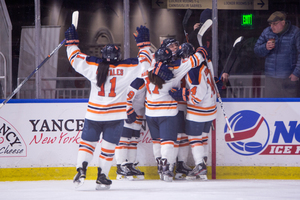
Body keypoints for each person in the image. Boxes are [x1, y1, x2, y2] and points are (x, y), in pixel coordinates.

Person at [65, 24, 151, 189]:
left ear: (103, 55)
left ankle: (81, 168)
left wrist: (72, 43)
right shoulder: (127, 68)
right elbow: (146, 64)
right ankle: (102, 176)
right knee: (108, 148)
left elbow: (75, 59)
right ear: (118, 55)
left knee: (87, 144)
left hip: (94, 115)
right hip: (115, 117)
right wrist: (144, 46)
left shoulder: (94, 65)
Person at [126, 45, 208, 182]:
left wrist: (128, 107)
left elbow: (133, 85)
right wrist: (202, 51)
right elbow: (195, 61)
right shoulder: (176, 69)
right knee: (168, 142)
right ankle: (167, 168)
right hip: (168, 113)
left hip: (151, 113)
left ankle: (160, 168)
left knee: (157, 142)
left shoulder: (147, 69)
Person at [169, 42, 217, 180]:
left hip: (199, 110)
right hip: (210, 109)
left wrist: (181, 94)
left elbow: (197, 97)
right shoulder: (205, 64)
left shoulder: (193, 70)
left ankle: (200, 165)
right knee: (203, 137)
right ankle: (203, 164)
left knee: (194, 138)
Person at [254, 11, 300, 98]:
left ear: (283, 22)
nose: (272, 27)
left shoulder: (295, 32)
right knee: (271, 106)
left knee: (290, 107)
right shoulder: (267, 32)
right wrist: (265, 47)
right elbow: (256, 50)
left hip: (289, 77)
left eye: (274, 24)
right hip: (271, 78)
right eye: (270, 24)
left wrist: (296, 73)